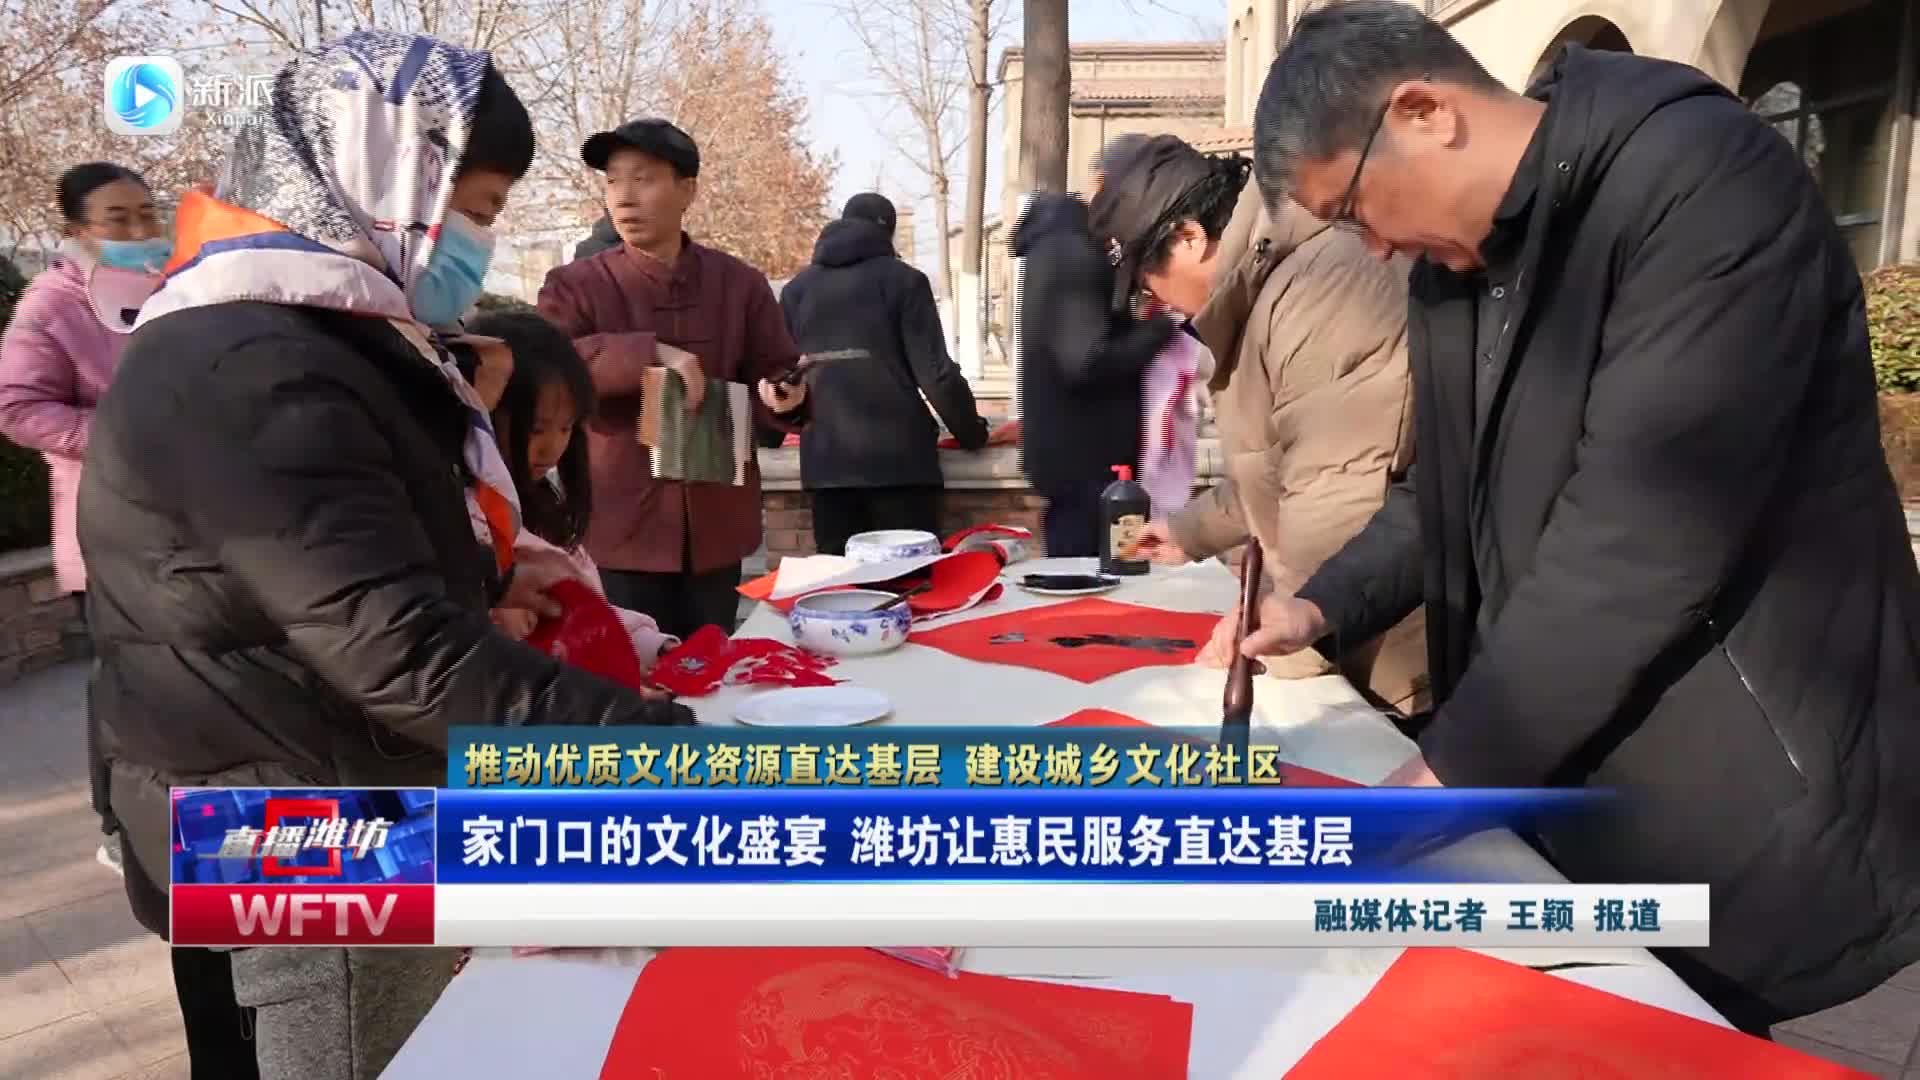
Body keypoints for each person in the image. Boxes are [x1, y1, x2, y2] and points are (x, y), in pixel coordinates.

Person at [1242, 1, 1920, 1031]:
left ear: (1424, 112)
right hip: (1587, 789)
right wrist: (1320, 606)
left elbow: (1639, 543)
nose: (1371, 246)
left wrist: (1446, 776)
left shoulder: (1698, 185)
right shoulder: (1451, 277)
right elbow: (1439, 494)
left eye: (1355, 207)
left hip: (1753, 799)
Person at [79, 32, 691, 1080]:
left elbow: (316, 573)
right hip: (305, 815)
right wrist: (657, 752)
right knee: (371, 1052)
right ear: (385, 178)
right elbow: (395, 651)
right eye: (476, 210)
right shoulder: (256, 366)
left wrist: (491, 574)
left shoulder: (296, 336)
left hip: (311, 766)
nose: (478, 245)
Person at [1090, 134, 1427, 715]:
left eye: (1149, 282)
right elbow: (1276, 462)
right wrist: (1189, 531)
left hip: (1391, 648)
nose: (1156, 302)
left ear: (1190, 238)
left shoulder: (1322, 287)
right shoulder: (1266, 288)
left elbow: (1339, 491)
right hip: (1344, 625)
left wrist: (1275, 639)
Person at [539, 118, 808, 640]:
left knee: (712, 665)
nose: (623, 197)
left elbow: (775, 370)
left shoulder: (739, 284)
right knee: (631, 670)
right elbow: (551, 368)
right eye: (613, 181)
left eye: (642, 179)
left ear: (688, 191)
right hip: (620, 529)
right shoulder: (576, 285)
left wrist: (785, 394)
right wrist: (651, 353)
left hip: (716, 527)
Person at [0, 162, 167, 877]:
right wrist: (123, 434)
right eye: (117, 219)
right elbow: (18, 408)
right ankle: (118, 825)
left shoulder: (168, 287)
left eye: (146, 213)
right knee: (123, 686)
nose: (139, 229)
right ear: (77, 230)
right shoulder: (52, 306)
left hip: (186, 525)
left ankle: (176, 812)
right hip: (106, 532)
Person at [469, 306, 680, 667]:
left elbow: (587, 609)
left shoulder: (543, 509)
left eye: (565, 427)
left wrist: (649, 647)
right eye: (536, 429)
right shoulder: (470, 524)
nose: (552, 447)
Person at [780, 192, 989, 554]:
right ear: (887, 233)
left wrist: (772, 435)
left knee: (841, 580)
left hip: (827, 467)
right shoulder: (905, 282)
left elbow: (781, 378)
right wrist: (971, 432)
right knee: (910, 579)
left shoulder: (797, 291)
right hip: (900, 466)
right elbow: (936, 374)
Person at [1010, 185, 1177, 557]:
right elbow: (1087, 360)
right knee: (1097, 574)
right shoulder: (1073, 257)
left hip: (1066, 453)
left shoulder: (1046, 254)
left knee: (1078, 567)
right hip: (1089, 460)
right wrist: (1160, 330)